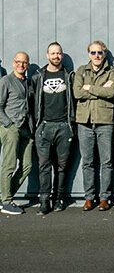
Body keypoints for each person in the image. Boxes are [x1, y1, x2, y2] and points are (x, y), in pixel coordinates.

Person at [73, 40, 114, 211]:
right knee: (88, 162)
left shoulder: (112, 72)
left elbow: (111, 92)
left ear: (104, 54)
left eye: (100, 52)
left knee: (106, 162)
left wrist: (89, 88)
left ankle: (104, 198)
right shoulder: (81, 71)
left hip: (104, 121)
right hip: (84, 121)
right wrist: (100, 89)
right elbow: (77, 92)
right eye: (93, 53)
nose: (97, 56)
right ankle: (89, 197)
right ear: (89, 54)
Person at [33, 42, 75, 215]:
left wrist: (70, 124)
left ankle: (58, 199)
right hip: (44, 127)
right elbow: (31, 101)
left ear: (62, 55)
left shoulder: (69, 76)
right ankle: (44, 201)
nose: (56, 56)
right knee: (44, 166)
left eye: (58, 53)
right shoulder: (38, 76)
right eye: (52, 53)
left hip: (64, 127)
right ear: (47, 55)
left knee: (62, 166)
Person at [0, 52, 34, 215]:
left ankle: (5, 197)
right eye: (18, 62)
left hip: (26, 129)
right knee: (9, 164)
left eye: (25, 62)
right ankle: (6, 201)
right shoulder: (6, 81)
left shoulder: (27, 83)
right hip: (11, 128)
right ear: (14, 63)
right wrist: (8, 124)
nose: (21, 65)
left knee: (27, 165)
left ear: (28, 65)